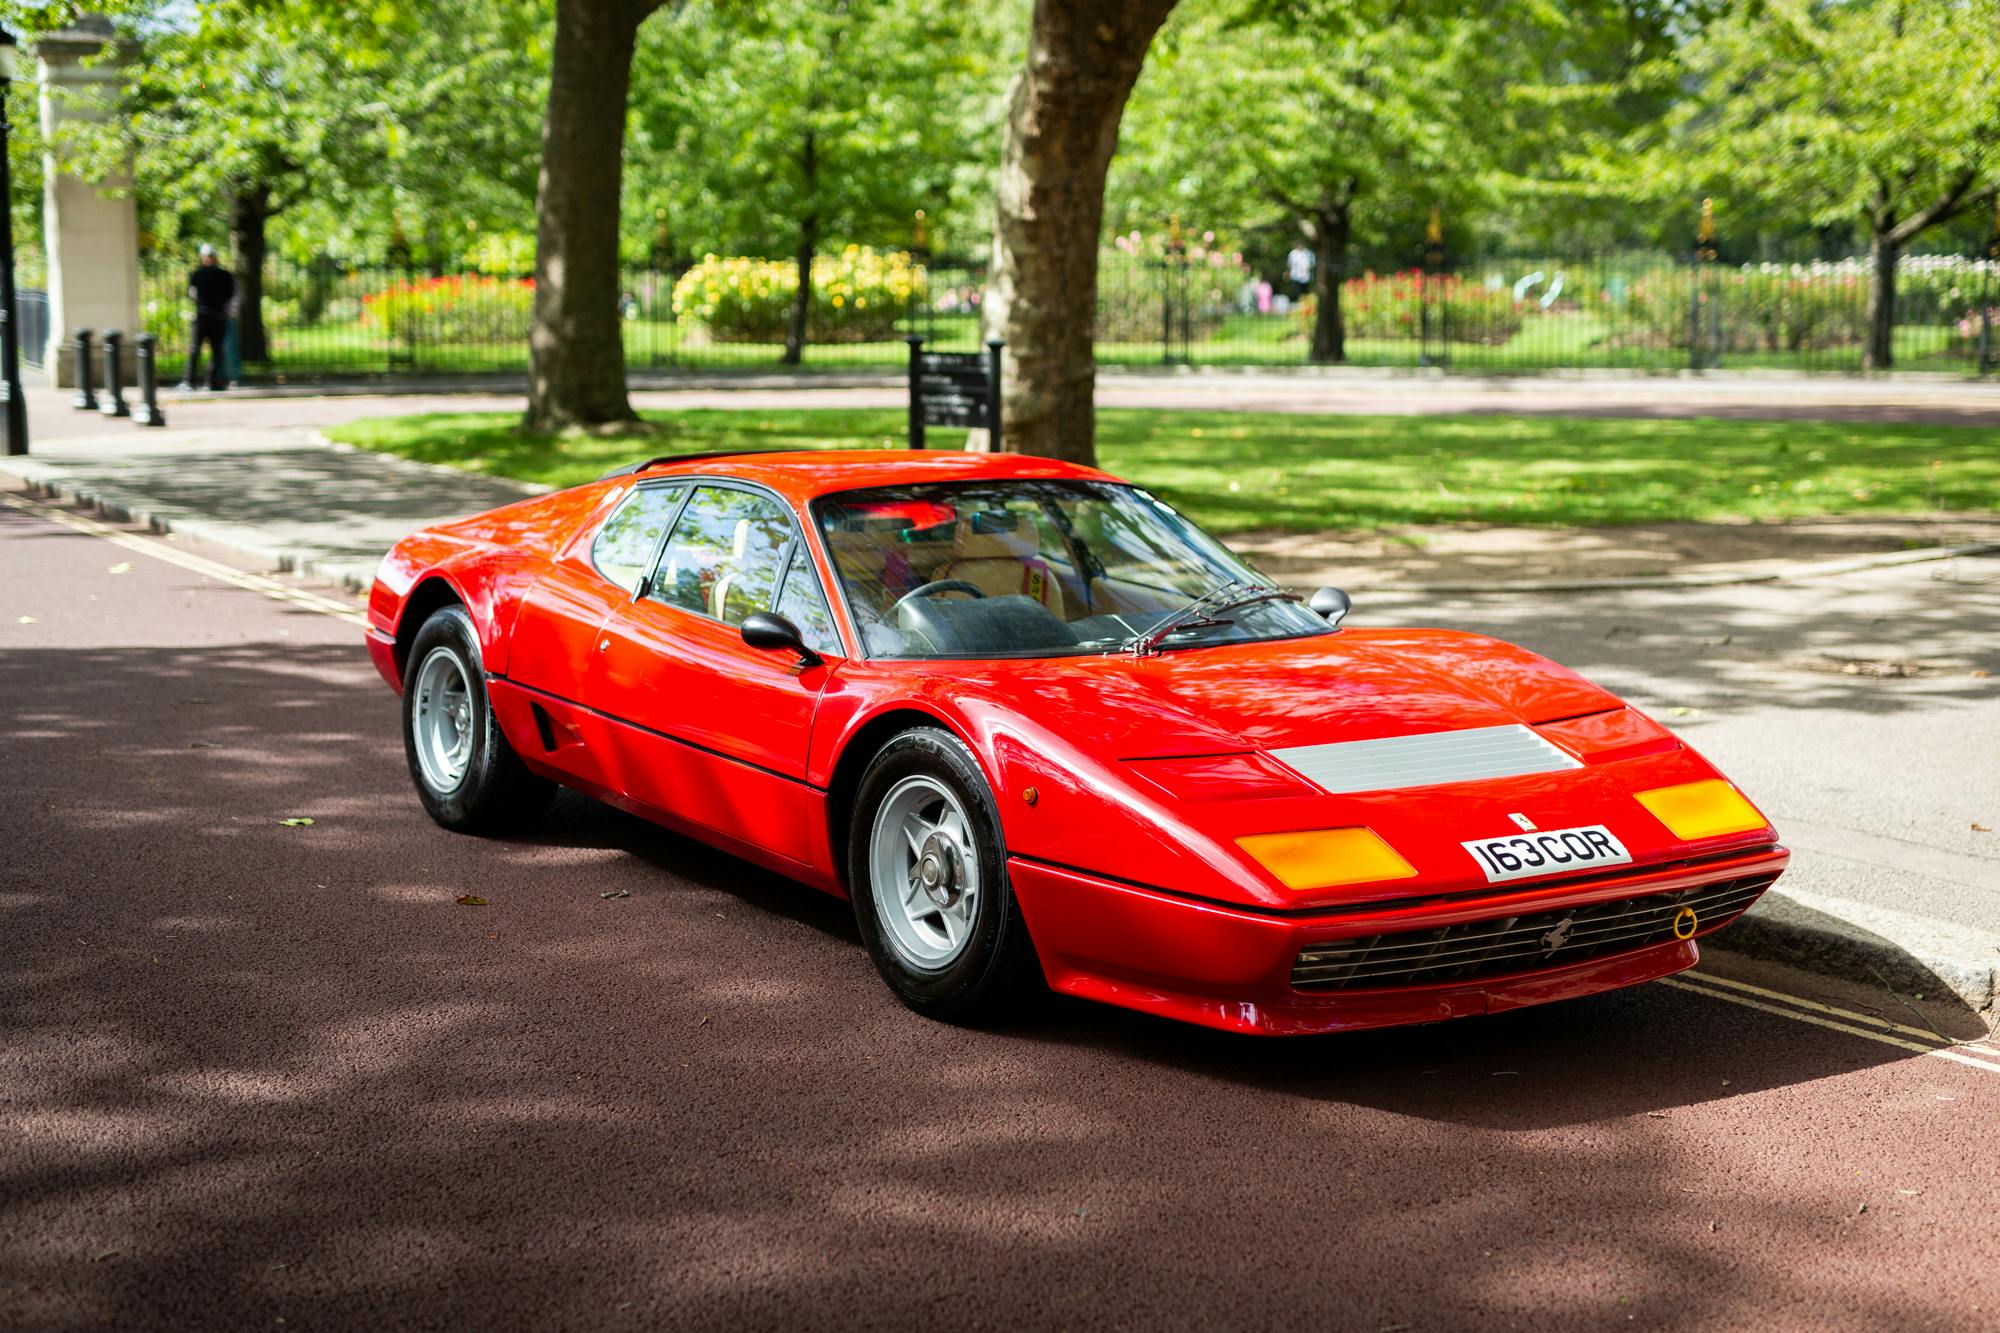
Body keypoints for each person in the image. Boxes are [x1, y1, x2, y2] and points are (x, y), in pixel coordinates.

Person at [181, 244, 235, 391]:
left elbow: (192, 294)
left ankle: (195, 381)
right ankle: (209, 381)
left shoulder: (197, 274)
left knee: (205, 350)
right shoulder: (225, 275)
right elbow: (230, 298)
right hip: (214, 315)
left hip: (206, 315)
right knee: (210, 350)